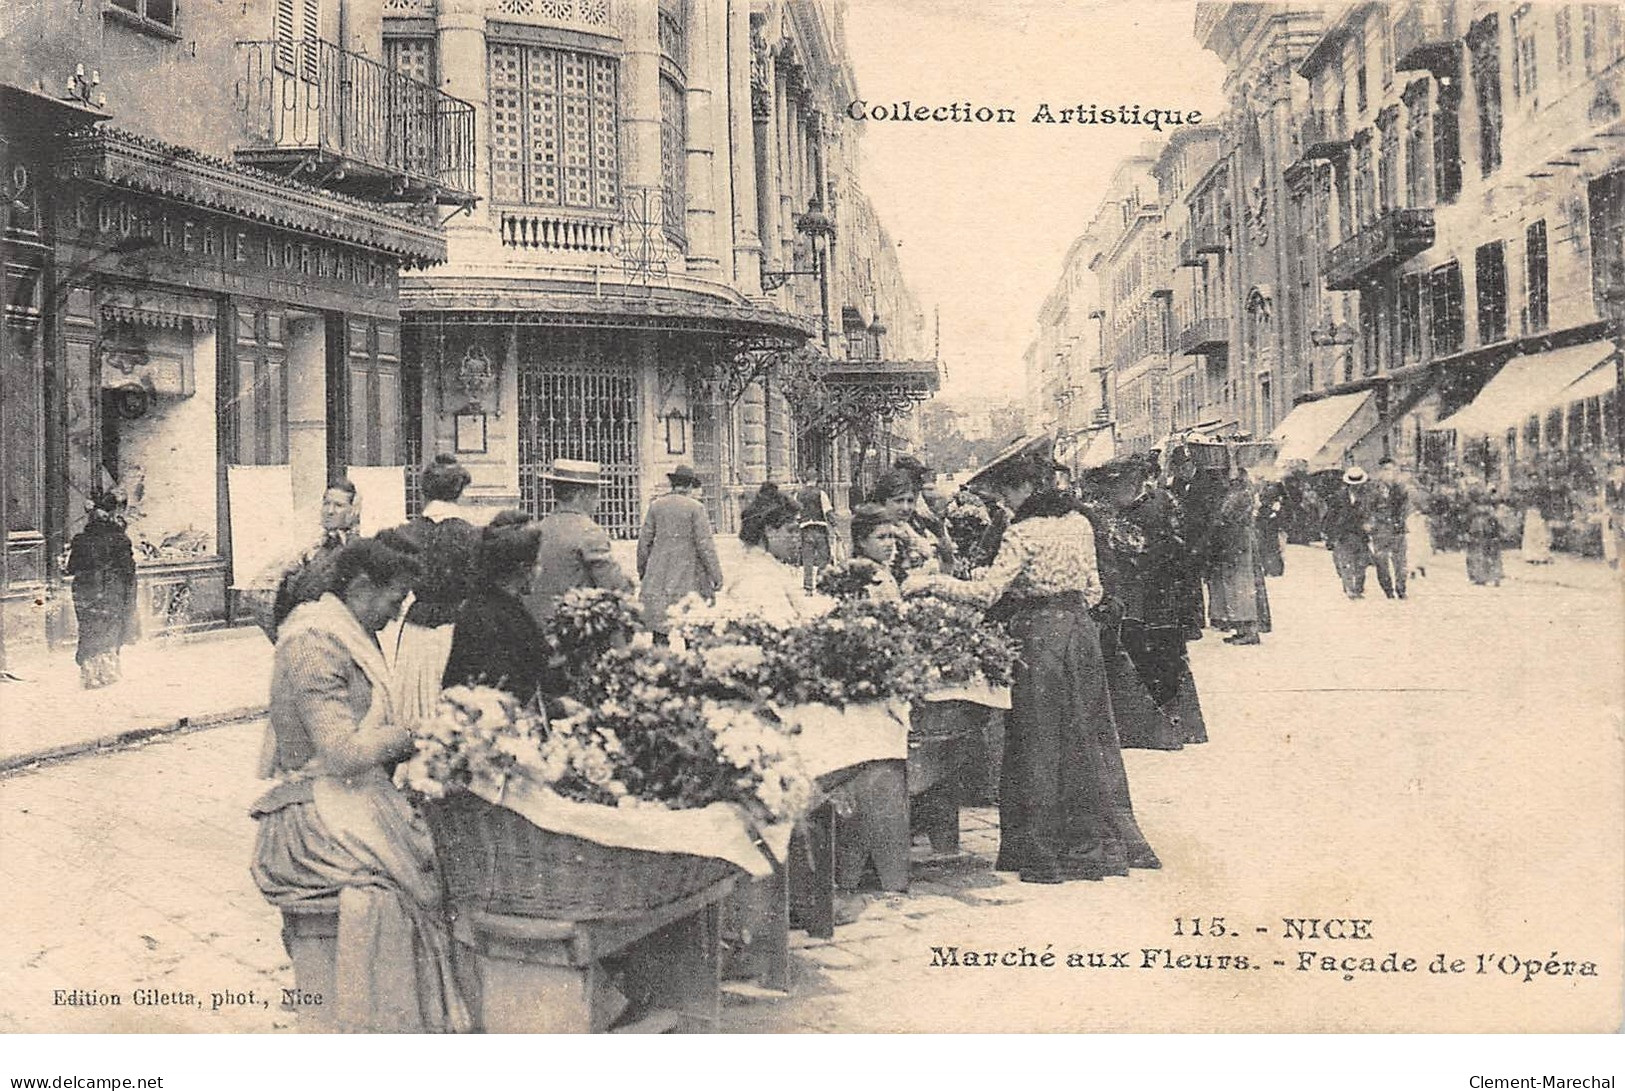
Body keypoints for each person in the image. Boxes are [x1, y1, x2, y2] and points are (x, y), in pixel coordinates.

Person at [907, 437, 1159, 885]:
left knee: (1038, 740)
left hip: (1039, 639)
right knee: (1087, 734)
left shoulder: (1021, 533)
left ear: (1025, 488)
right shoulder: (1079, 523)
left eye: (1007, 494)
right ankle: (1095, 844)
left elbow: (986, 594)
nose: (1003, 503)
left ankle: (1040, 849)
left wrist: (931, 584)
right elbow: (1094, 589)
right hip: (1080, 635)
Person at [250, 537, 471, 1033]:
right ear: (362, 587)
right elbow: (343, 753)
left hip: (350, 800)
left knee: (434, 870)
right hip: (315, 814)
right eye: (394, 600)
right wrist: (414, 734)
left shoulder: (347, 633)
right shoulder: (314, 642)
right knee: (408, 890)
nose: (397, 615)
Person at [389, 455, 481, 729]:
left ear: (424, 491)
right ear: (460, 491)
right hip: (455, 627)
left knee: (413, 703)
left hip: (416, 627)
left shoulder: (407, 532)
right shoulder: (472, 535)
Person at [442, 511, 551, 705]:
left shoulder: (499, 604)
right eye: (537, 562)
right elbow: (504, 690)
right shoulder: (488, 615)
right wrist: (558, 707)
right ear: (523, 568)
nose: (540, 570)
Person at [524, 459, 634, 624]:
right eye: (597, 492)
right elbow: (614, 586)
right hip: (572, 628)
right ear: (582, 494)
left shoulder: (537, 529)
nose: (598, 500)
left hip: (534, 626)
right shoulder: (590, 532)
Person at [268, 477, 363, 639]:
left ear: (352, 511)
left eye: (339, 505)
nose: (330, 511)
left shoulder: (356, 550)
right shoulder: (312, 548)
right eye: (326, 503)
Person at [637, 465, 724, 636]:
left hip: (659, 574)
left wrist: (643, 570)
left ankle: (661, 660)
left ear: (673, 484)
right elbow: (705, 545)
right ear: (690, 486)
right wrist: (716, 575)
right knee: (691, 627)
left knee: (660, 628)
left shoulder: (656, 506)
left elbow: (644, 542)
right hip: (689, 575)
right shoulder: (696, 508)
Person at [66, 490, 138, 689]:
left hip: (85, 591)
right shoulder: (120, 540)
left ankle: (90, 676)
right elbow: (128, 570)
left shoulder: (80, 539)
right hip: (111, 590)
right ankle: (107, 674)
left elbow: (71, 568)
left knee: (88, 630)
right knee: (109, 630)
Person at [717, 487, 819, 624]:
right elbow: (779, 626)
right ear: (769, 531)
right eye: (791, 531)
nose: (797, 538)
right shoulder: (759, 575)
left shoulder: (767, 566)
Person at [1207, 469, 1265, 645]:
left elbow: (1228, 517)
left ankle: (1249, 630)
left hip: (1238, 544)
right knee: (1235, 587)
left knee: (1242, 586)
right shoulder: (1239, 494)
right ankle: (1241, 628)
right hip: (1237, 543)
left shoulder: (1240, 495)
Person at [1325, 466, 1375, 599]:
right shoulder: (1338, 497)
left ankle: (1358, 588)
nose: (1356, 487)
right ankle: (1349, 589)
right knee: (1346, 562)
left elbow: (1371, 513)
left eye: (1359, 484)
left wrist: (1370, 525)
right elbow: (1331, 516)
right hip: (1344, 534)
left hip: (1360, 534)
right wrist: (1330, 535)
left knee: (1361, 564)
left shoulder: (1367, 497)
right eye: (1354, 484)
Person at [1370, 458, 1410, 599]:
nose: (1390, 473)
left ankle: (1401, 588)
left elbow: (1406, 506)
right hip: (1381, 529)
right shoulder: (1374, 488)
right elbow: (1369, 508)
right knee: (1381, 561)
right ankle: (1387, 589)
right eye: (1386, 469)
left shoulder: (1401, 487)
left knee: (1401, 561)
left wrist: (1401, 520)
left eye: (1392, 469)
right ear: (1380, 471)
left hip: (1398, 528)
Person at [796, 484, 835, 595]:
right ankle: (820, 583)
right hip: (820, 529)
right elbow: (828, 512)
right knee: (824, 557)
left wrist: (801, 523)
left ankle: (808, 588)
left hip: (806, 530)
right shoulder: (821, 493)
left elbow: (796, 515)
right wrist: (834, 525)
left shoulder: (798, 495)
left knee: (808, 559)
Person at [1465, 486, 1505, 587]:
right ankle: (1491, 576)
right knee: (1489, 554)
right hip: (1487, 533)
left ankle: (1481, 577)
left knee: (1480, 554)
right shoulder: (1489, 511)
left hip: (1481, 533)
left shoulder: (1473, 510)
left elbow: (1467, 521)